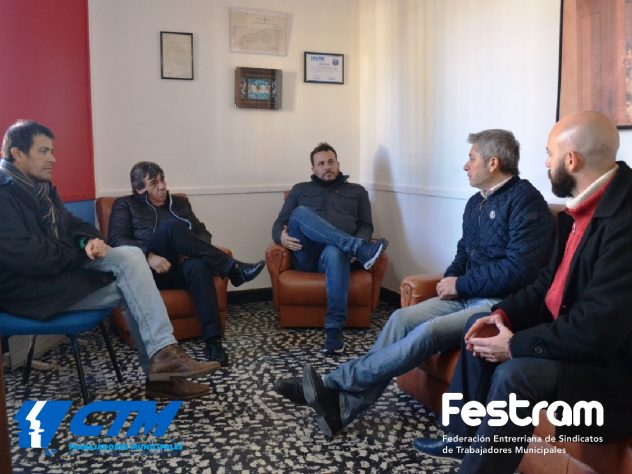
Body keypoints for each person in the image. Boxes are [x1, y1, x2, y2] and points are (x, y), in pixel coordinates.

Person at [275, 130, 554, 437]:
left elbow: (519, 271)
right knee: (400, 318)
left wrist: (461, 284)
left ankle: (332, 383)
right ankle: (341, 410)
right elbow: (464, 252)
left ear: (493, 163)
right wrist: (450, 279)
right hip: (466, 294)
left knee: (427, 331)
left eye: (471, 158)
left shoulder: (527, 202)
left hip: (496, 305)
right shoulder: (476, 202)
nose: (465, 166)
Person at [413, 111, 632, 473]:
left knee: (514, 375)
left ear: (571, 160)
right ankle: (459, 439)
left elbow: (596, 329)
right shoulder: (577, 210)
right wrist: (502, 315)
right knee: (481, 327)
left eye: (549, 153)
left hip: (607, 364)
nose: (545, 162)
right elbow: (546, 284)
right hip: (570, 337)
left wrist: (515, 345)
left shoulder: (623, 221)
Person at [0, 120, 220, 400]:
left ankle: (164, 359)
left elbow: (72, 224)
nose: (53, 158)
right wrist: (80, 249)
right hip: (30, 292)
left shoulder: (41, 187)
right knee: (132, 287)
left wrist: (90, 240)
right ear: (17, 153)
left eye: (52, 151)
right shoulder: (3, 193)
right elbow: (32, 257)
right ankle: (162, 373)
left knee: (131, 256)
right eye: (44, 151)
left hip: (57, 272)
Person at [108, 162, 265, 366]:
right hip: (148, 272)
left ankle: (213, 341)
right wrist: (149, 256)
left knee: (198, 266)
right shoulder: (125, 205)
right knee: (172, 227)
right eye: (154, 183)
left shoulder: (179, 203)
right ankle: (233, 269)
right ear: (139, 188)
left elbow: (202, 233)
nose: (162, 186)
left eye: (163, 180)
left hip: (178, 267)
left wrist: (191, 250)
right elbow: (116, 240)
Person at [271, 142, 388, 353]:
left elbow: (366, 225)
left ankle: (334, 331)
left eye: (331, 162)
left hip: (336, 257)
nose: (327, 167)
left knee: (335, 252)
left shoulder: (357, 191)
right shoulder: (299, 190)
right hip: (306, 253)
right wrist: (281, 236)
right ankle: (358, 248)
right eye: (321, 163)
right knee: (300, 212)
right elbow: (278, 224)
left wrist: (360, 239)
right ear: (313, 169)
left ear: (338, 164)